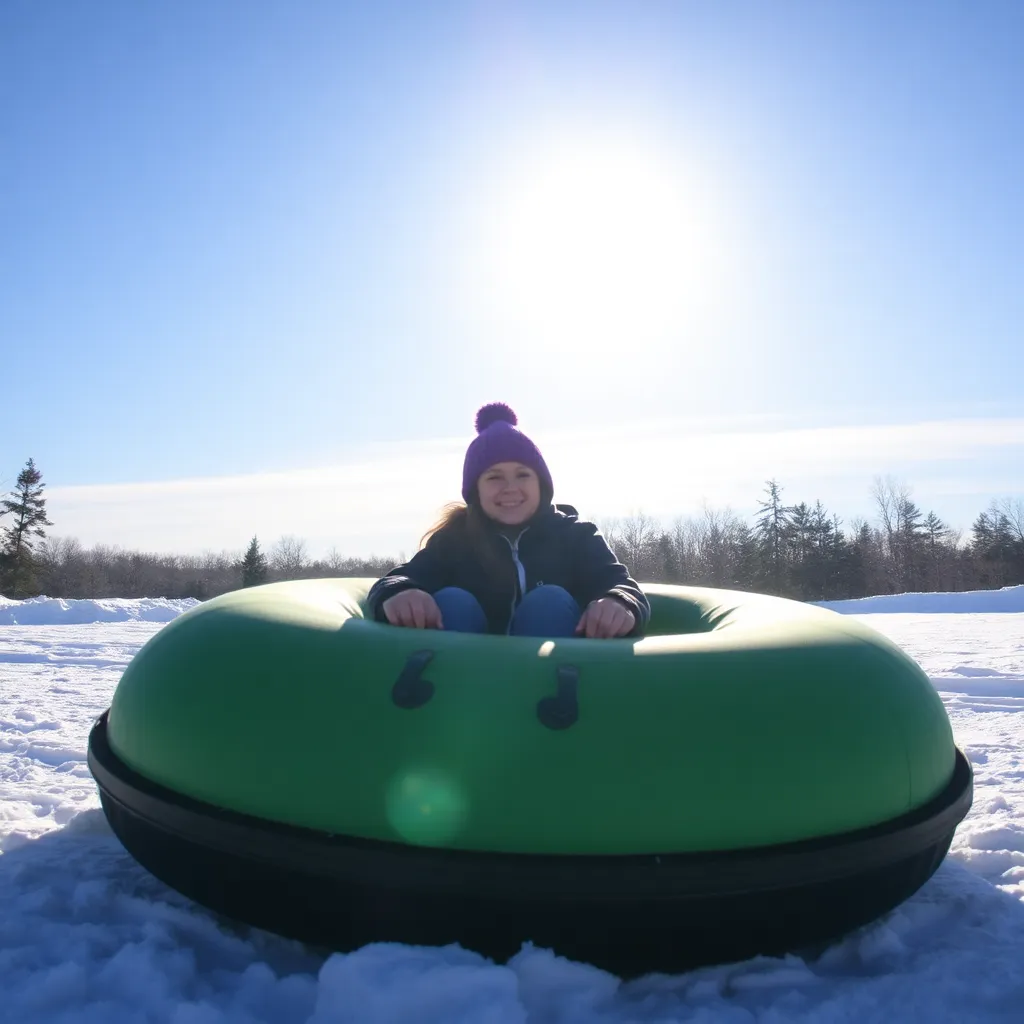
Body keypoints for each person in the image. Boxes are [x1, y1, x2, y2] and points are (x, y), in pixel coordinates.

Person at [366, 403, 650, 639]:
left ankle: (549, 696)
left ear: (542, 485)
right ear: (475, 491)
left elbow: (619, 583)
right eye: (494, 477)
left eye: (522, 474)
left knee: (548, 601)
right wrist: (401, 592)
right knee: (453, 601)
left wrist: (618, 602)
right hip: (470, 676)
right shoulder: (456, 540)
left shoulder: (576, 536)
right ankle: (450, 697)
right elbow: (400, 578)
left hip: (555, 679)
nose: (510, 487)